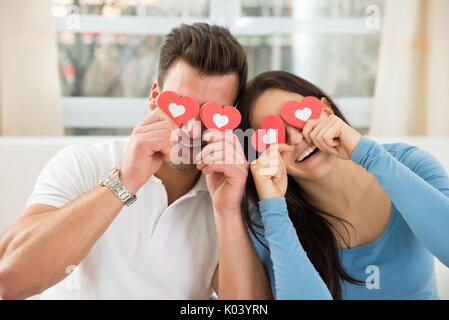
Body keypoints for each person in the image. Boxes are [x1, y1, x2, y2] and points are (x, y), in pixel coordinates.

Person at [0, 23, 270, 300]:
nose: (192, 130)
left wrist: (227, 211)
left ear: (231, 121)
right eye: (181, 106)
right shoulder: (82, 164)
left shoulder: (229, 194)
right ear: (154, 98)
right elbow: (8, 279)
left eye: (212, 114)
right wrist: (125, 181)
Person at [237, 70, 449, 299]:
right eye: (274, 134)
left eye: (298, 119)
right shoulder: (265, 219)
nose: (296, 139)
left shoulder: (409, 164)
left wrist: (367, 154)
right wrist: (274, 209)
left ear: (326, 110)